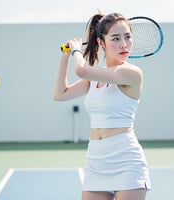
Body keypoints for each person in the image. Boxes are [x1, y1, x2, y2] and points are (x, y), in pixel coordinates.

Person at [54, 12, 151, 200]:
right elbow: (60, 94)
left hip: (126, 161)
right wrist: (65, 55)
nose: (124, 44)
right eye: (116, 38)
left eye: (128, 37)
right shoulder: (95, 79)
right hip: (96, 160)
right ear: (101, 43)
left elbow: (81, 70)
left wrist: (76, 50)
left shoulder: (131, 73)